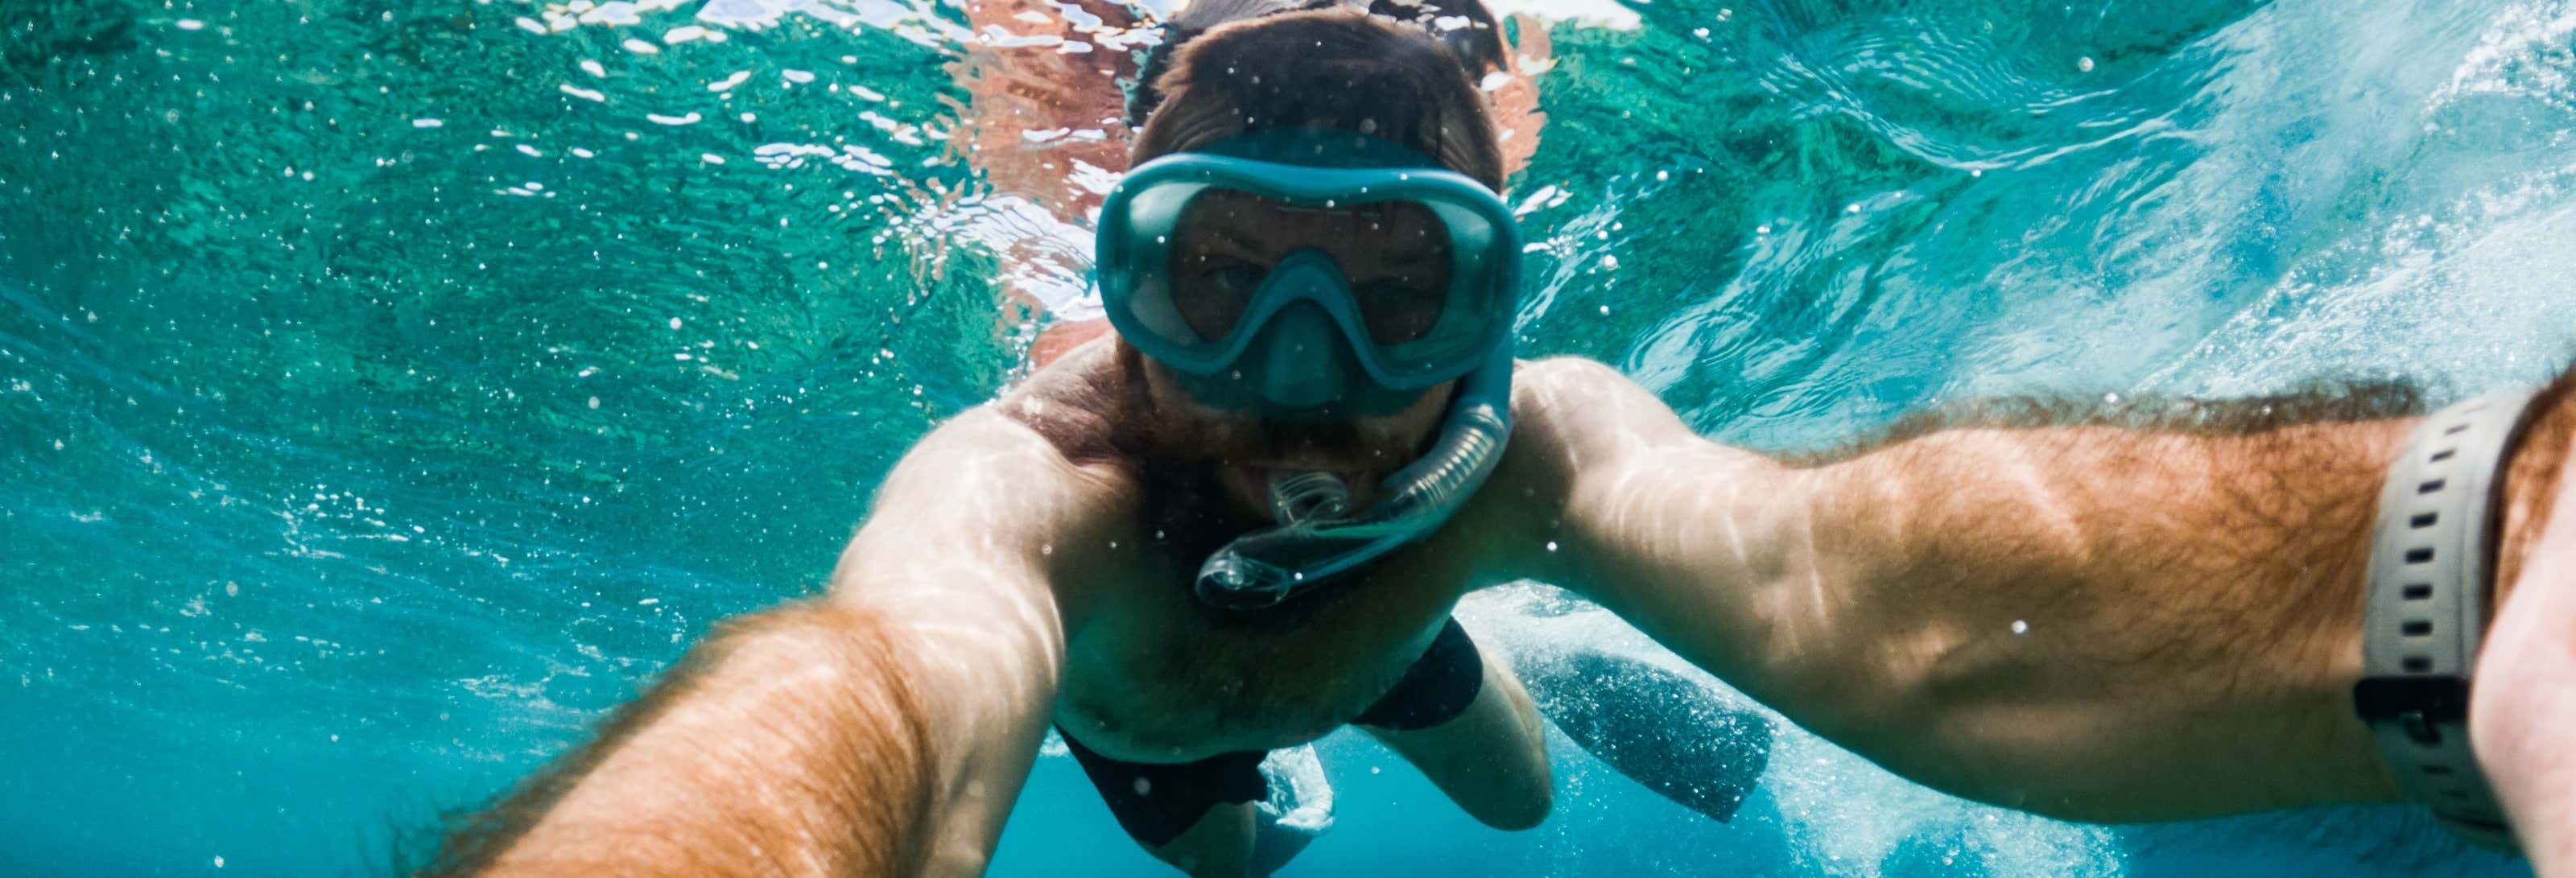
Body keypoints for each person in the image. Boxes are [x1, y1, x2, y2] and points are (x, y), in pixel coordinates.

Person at [422, 5, 2576, 878]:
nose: (1298, 376)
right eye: (1218, 276)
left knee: (1526, 795)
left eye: (1399, 288)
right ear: (1118, 278)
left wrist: (2487, 553)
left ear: (1493, 293)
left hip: (1404, 626)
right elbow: (876, 685)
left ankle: (1495, 648)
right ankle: (1331, 745)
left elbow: (1866, 581)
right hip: (1147, 723)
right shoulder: (1028, 483)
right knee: (1241, 858)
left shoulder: (1532, 441)